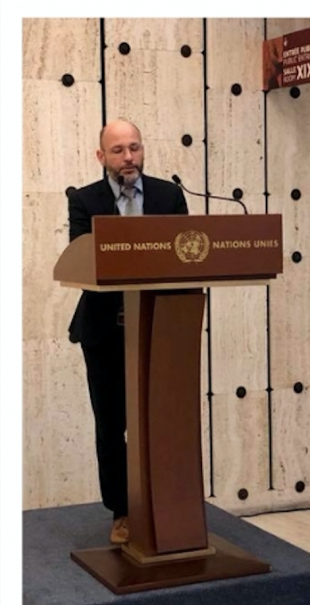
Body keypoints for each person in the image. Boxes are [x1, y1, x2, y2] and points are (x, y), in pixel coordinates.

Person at [68, 119, 188, 544]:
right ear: (102, 157)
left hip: (160, 328)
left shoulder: (169, 195)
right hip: (104, 330)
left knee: (160, 421)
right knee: (111, 424)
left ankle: (163, 504)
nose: (128, 157)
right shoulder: (84, 200)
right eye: (117, 150)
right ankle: (121, 511)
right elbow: (85, 259)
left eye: (134, 147)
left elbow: (185, 259)